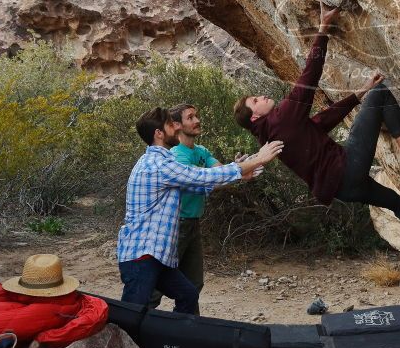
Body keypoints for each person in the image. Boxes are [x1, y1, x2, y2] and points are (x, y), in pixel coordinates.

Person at [233, 2, 400, 263]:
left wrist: (360, 92)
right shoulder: (280, 119)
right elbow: (309, 77)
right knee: (381, 94)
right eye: (256, 100)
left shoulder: (274, 133)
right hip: (347, 168)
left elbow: (322, 122)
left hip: (343, 189)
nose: (263, 96)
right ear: (255, 116)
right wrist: (323, 29)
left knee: (395, 202)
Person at [117, 107, 283, 314]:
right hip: (141, 256)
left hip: (153, 255)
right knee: (131, 315)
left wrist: (242, 171)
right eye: (171, 125)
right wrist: (258, 159)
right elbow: (203, 178)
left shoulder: (162, 161)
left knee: (188, 294)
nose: (176, 127)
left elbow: (199, 184)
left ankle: (181, 341)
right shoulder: (158, 165)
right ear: (158, 133)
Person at [148, 103, 259, 314]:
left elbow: (218, 172)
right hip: (174, 226)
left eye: (196, 116)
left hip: (192, 223)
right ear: (177, 125)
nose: (197, 120)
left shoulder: (201, 151)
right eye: (190, 117)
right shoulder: (177, 155)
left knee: (193, 284)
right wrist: (237, 172)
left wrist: (238, 169)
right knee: (156, 286)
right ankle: (137, 327)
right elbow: (204, 180)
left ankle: (187, 328)